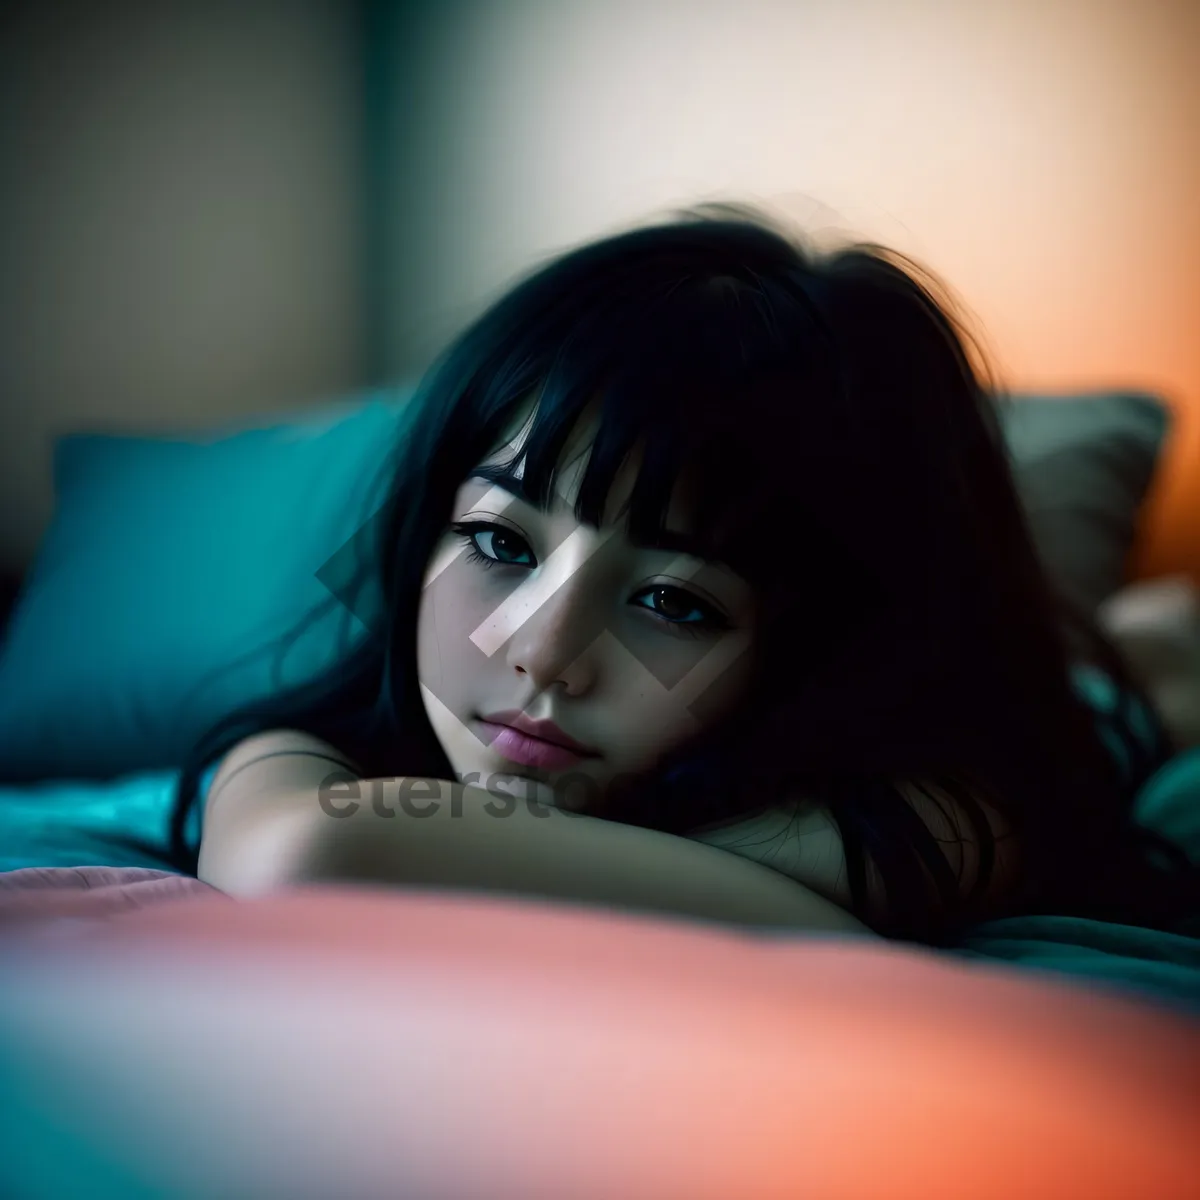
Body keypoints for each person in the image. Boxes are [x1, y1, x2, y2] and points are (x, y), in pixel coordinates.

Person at [167, 203, 1197, 944]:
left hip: (1069, 702)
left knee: (1144, 668)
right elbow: (298, 853)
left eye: (673, 601)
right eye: (499, 543)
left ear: (822, 655)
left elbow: (914, 854)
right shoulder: (307, 744)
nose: (540, 652)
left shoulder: (936, 798)